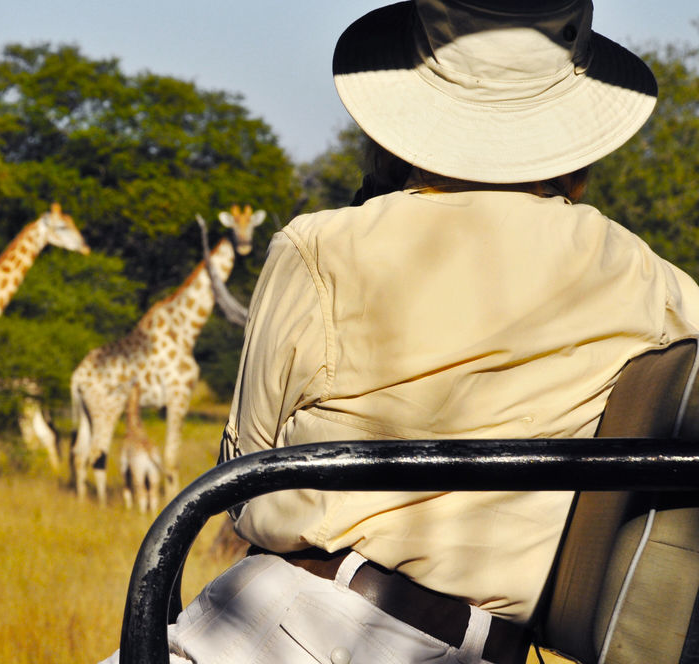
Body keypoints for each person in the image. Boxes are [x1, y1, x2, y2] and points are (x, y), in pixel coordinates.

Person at [103, 1, 699, 662]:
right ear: (575, 130)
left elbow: (241, 484)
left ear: (403, 114)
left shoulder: (320, 247)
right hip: (478, 648)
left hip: (292, 622)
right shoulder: (649, 279)